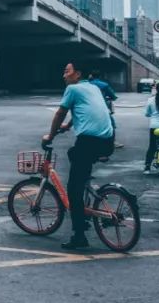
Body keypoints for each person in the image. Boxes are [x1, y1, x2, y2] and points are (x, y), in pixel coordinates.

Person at [43, 60, 114, 250]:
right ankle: (86, 203)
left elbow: (60, 113)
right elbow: (84, 110)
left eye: (67, 71)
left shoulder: (72, 90)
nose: (64, 75)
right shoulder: (92, 88)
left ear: (77, 74)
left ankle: (79, 235)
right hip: (108, 141)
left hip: (89, 142)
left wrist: (50, 136)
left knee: (73, 188)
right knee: (74, 155)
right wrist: (68, 126)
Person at [87, 71, 122, 149]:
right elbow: (113, 96)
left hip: (88, 108)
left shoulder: (87, 84)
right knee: (111, 124)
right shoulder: (104, 85)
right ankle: (113, 142)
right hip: (102, 108)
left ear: (91, 76)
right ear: (99, 76)